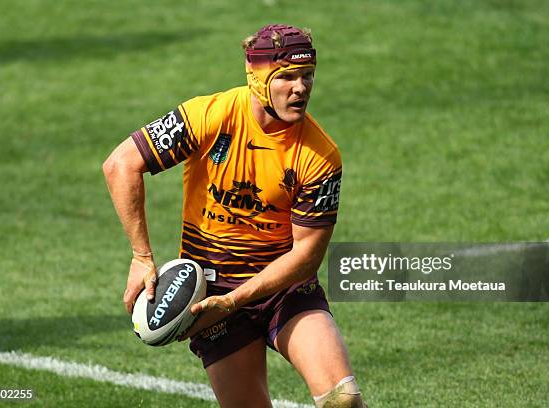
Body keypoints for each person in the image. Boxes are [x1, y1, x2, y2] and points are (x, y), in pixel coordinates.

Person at [103, 24, 367, 408]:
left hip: (283, 287)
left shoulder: (320, 156)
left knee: (342, 400)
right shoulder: (207, 116)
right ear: (258, 79)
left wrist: (238, 299)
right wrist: (141, 256)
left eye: (308, 75)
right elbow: (120, 165)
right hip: (212, 292)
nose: (301, 88)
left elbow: (307, 255)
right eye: (287, 77)